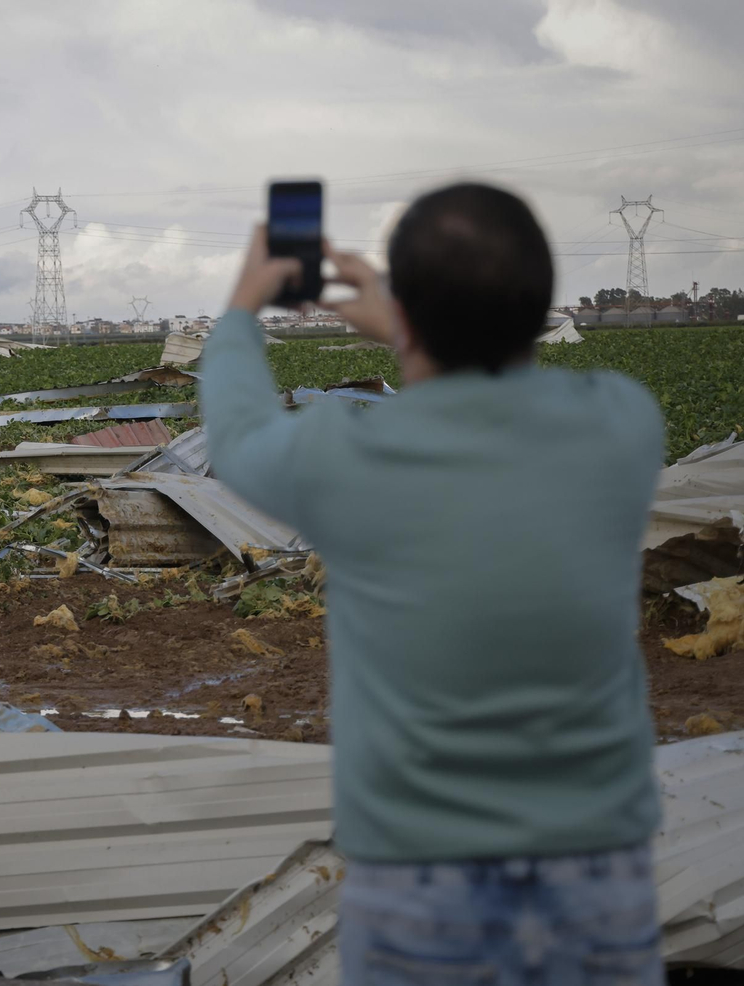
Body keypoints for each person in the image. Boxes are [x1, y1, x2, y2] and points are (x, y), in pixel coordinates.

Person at [199, 182, 665, 985]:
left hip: (419, 881)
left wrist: (244, 307)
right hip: (598, 874)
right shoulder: (622, 424)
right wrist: (412, 332)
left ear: (409, 319)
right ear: (541, 308)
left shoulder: (348, 454)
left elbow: (238, 433)